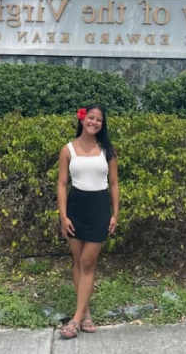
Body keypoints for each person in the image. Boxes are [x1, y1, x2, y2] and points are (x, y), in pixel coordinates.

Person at [57, 104, 120, 339]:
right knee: (77, 260)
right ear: (82, 119)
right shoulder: (68, 150)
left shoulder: (107, 151)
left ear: (102, 125)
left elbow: (114, 184)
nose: (94, 122)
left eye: (99, 120)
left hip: (99, 208)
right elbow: (62, 184)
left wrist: (115, 213)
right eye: (91, 118)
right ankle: (85, 312)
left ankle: (75, 319)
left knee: (87, 262)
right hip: (75, 207)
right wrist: (63, 216)